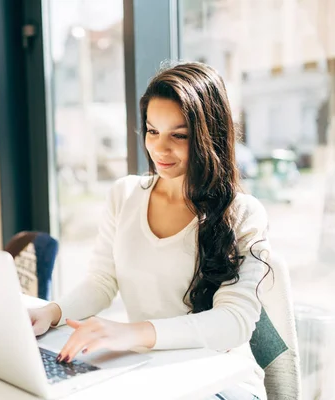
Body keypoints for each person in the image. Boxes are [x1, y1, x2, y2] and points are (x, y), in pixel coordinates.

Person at [28, 62, 270, 400]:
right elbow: (102, 282)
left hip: (221, 382)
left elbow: (234, 322)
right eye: (152, 131)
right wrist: (51, 313)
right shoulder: (124, 195)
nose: (160, 148)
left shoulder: (242, 213)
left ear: (209, 135)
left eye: (179, 135)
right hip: (148, 372)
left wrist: (131, 333)